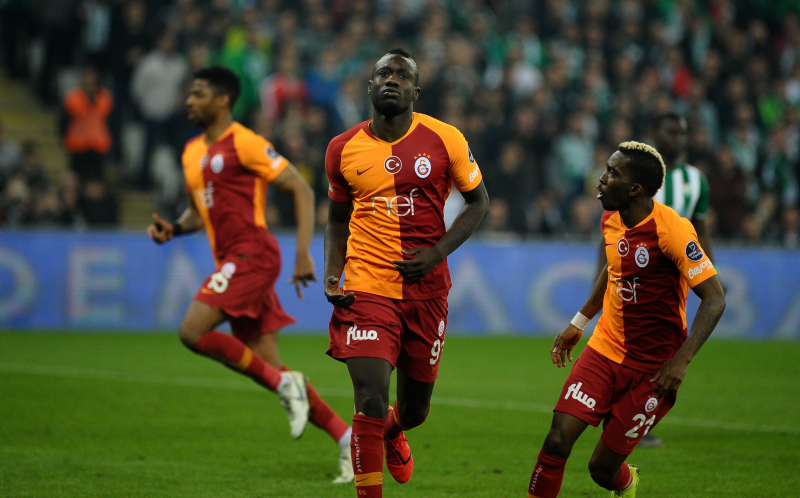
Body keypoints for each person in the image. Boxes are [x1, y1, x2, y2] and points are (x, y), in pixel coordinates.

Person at [146, 65, 353, 484]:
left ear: (223, 100)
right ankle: (348, 439)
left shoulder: (245, 142)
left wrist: (302, 253)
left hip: (252, 253)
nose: (189, 101)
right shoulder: (190, 153)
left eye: (199, 93)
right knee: (269, 365)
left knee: (192, 331)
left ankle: (283, 386)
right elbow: (198, 211)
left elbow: (300, 188)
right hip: (232, 259)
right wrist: (176, 228)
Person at [323, 48, 489, 497]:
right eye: (383, 73)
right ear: (370, 86)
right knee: (370, 399)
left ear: (416, 92)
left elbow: (479, 203)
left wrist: (437, 252)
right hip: (366, 287)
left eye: (401, 75)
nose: (391, 80)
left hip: (426, 290)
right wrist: (333, 272)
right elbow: (337, 218)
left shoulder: (446, 139)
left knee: (414, 410)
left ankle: (396, 432)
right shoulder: (341, 148)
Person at [528, 141, 726, 498]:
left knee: (602, 470)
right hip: (605, 349)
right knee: (557, 440)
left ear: (635, 189)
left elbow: (714, 298)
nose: (601, 179)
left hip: (653, 368)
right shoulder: (611, 218)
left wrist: (681, 361)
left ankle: (626, 481)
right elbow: (613, 268)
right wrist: (580, 321)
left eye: (612, 173)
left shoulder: (673, 231)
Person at [595, 113, 721, 448]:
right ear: (655, 133)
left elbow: (700, 229)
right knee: (622, 340)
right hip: (630, 272)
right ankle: (621, 417)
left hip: (670, 278)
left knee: (659, 342)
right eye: (671, 132)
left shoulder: (696, 181)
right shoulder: (637, 176)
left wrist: (711, 271)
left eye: (683, 133)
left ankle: (635, 418)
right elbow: (615, 228)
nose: (679, 138)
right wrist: (602, 272)